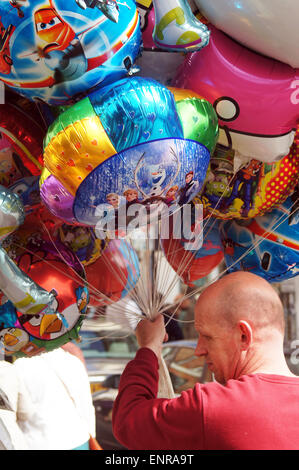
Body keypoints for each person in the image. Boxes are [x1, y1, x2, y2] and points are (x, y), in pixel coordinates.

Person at [112, 271, 299, 450]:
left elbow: (127, 420)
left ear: (243, 336)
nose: (198, 351)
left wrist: (148, 347)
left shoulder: (213, 408)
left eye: (207, 337)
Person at [13, 343, 97, 450]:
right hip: (78, 440)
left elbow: (24, 412)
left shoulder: (19, 366)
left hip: (40, 443)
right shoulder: (73, 361)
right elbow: (86, 405)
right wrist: (91, 436)